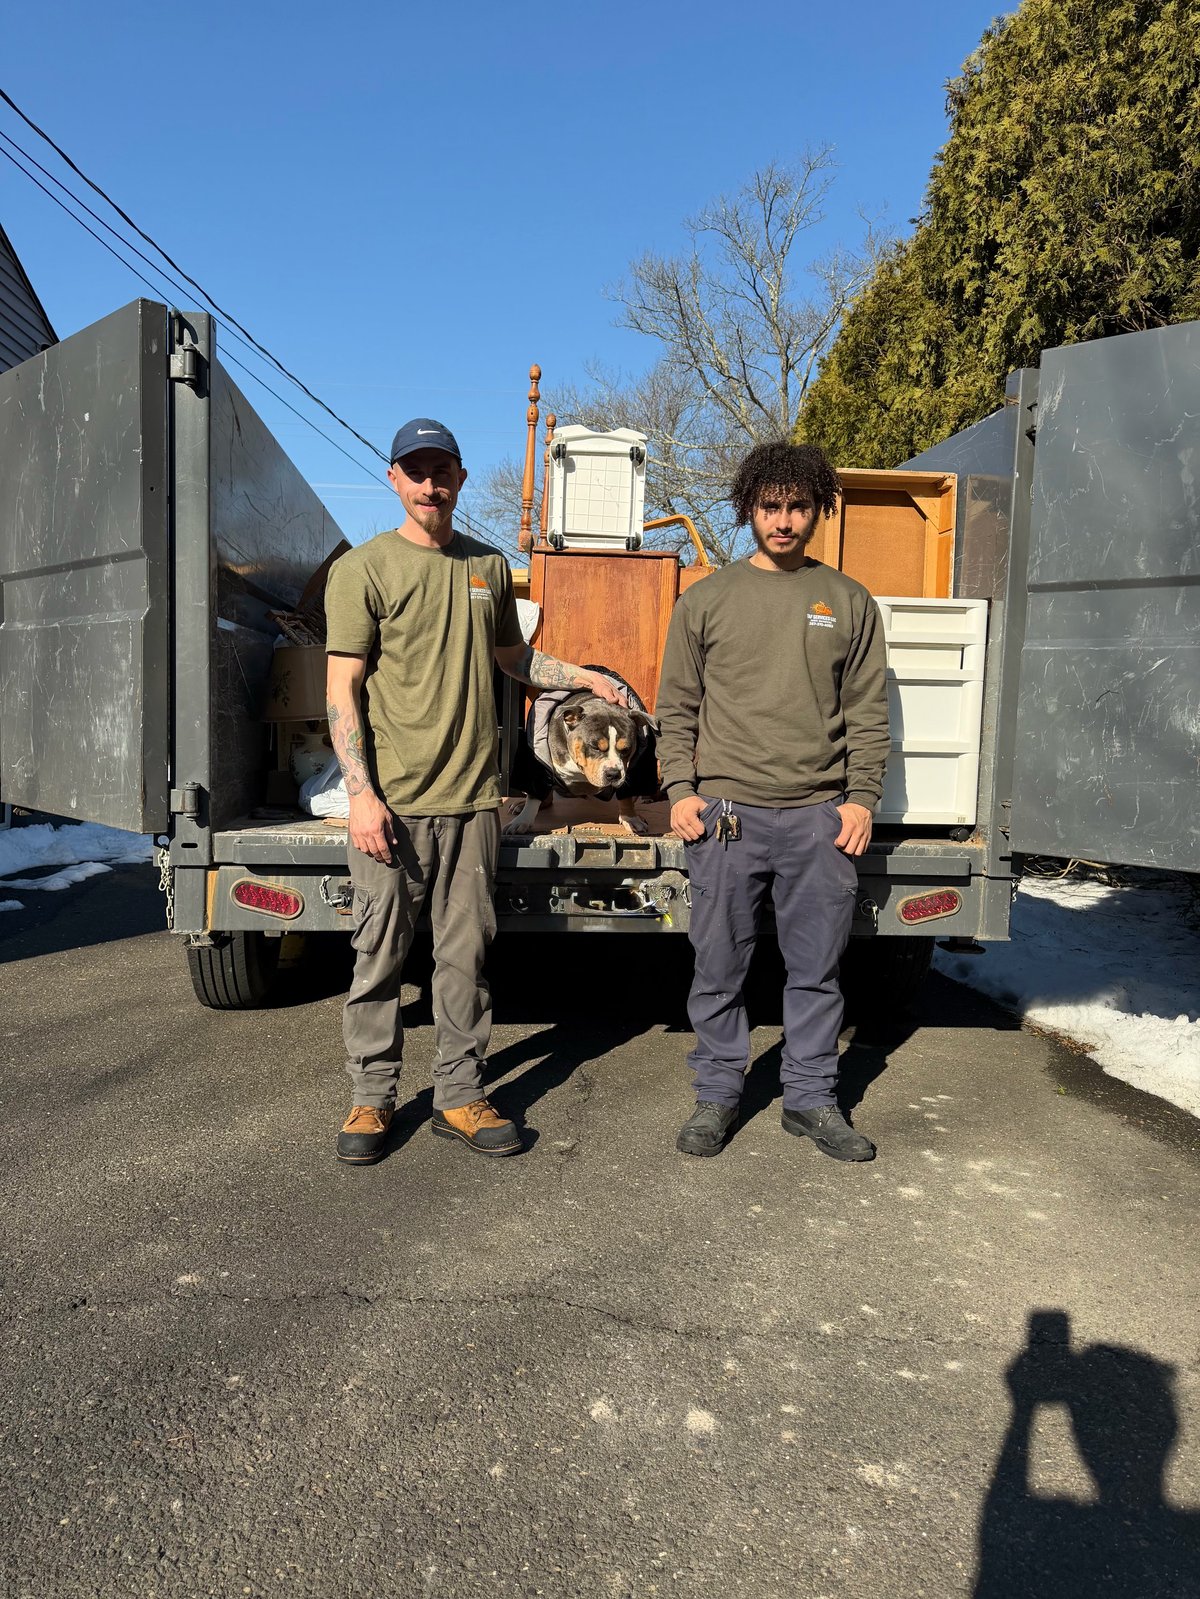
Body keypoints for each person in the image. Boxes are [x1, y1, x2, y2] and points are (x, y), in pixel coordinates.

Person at [324, 418, 624, 1166]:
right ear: (394, 479)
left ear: (459, 478)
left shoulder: (488, 567)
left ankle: (459, 1093)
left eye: (443, 470)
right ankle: (373, 1096)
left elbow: (514, 658)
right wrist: (360, 795)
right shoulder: (364, 569)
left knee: (466, 956)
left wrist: (581, 676)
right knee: (380, 955)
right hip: (392, 806)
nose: (431, 484)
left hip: (473, 802)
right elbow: (342, 688)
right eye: (416, 470)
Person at [656, 440, 890, 1161]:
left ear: (819, 507)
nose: (783, 521)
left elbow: (869, 712)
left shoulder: (848, 601)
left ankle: (813, 1098)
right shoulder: (707, 599)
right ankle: (718, 1093)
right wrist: (680, 790)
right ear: (748, 508)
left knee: (817, 966)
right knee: (719, 962)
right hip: (726, 814)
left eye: (797, 506)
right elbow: (676, 707)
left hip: (819, 814)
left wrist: (861, 797)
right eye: (770, 506)